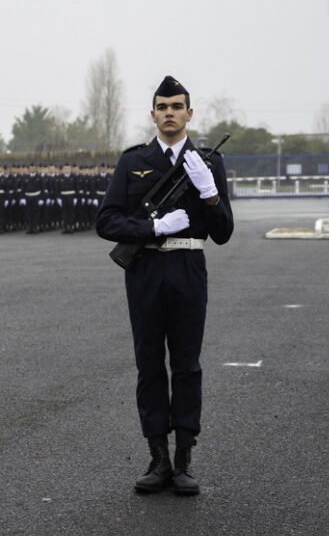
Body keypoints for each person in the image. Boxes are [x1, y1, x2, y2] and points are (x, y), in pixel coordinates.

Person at [96, 76, 233, 496]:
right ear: (153, 114)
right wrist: (152, 226)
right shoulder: (132, 160)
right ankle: (157, 457)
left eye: (177, 106)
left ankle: (184, 458)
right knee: (150, 363)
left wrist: (210, 195)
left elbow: (224, 232)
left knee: (187, 364)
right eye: (162, 106)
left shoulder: (208, 162)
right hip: (147, 269)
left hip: (189, 266)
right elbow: (107, 221)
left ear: (190, 113)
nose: (169, 112)